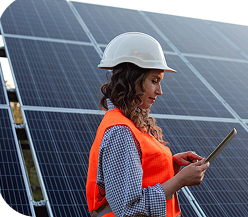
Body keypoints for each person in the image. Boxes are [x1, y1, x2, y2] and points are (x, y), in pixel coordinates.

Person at [86, 32, 210, 217]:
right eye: (154, 81)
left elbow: (139, 175)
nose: (159, 91)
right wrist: (180, 181)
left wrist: (171, 165)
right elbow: (129, 210)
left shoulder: (131, 124)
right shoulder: (120, 131)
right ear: (132, 79)